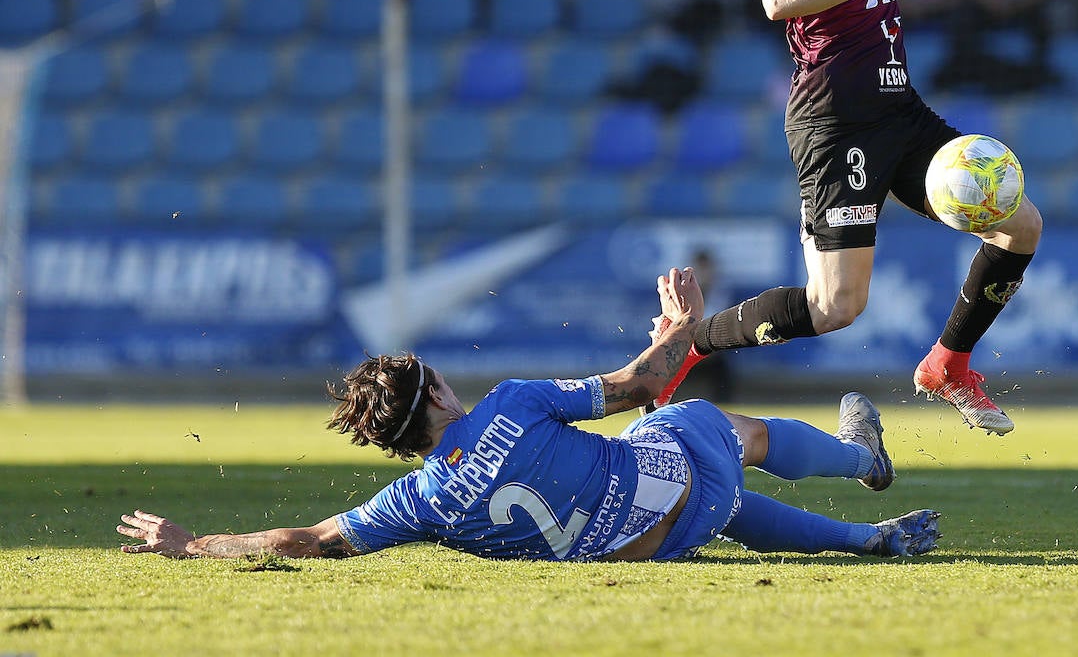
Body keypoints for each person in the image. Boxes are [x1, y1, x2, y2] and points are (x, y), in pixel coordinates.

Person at [662, 0, 1042, 435]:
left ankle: (949, 363)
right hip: (835, 118)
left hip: (898, 105)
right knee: (836, 306)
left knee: (1021, 223)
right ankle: (689, 343)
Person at [116, 267, 941, 562]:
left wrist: (196, 545)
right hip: (679, 484)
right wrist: (681, 330)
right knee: (712, 427)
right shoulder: (509, 403)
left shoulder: (418, 504)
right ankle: (859, 459)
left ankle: (870, 538)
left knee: (685, 473)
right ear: (435, 394)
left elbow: (309, 540)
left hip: (640, 547)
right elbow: (640, 384)